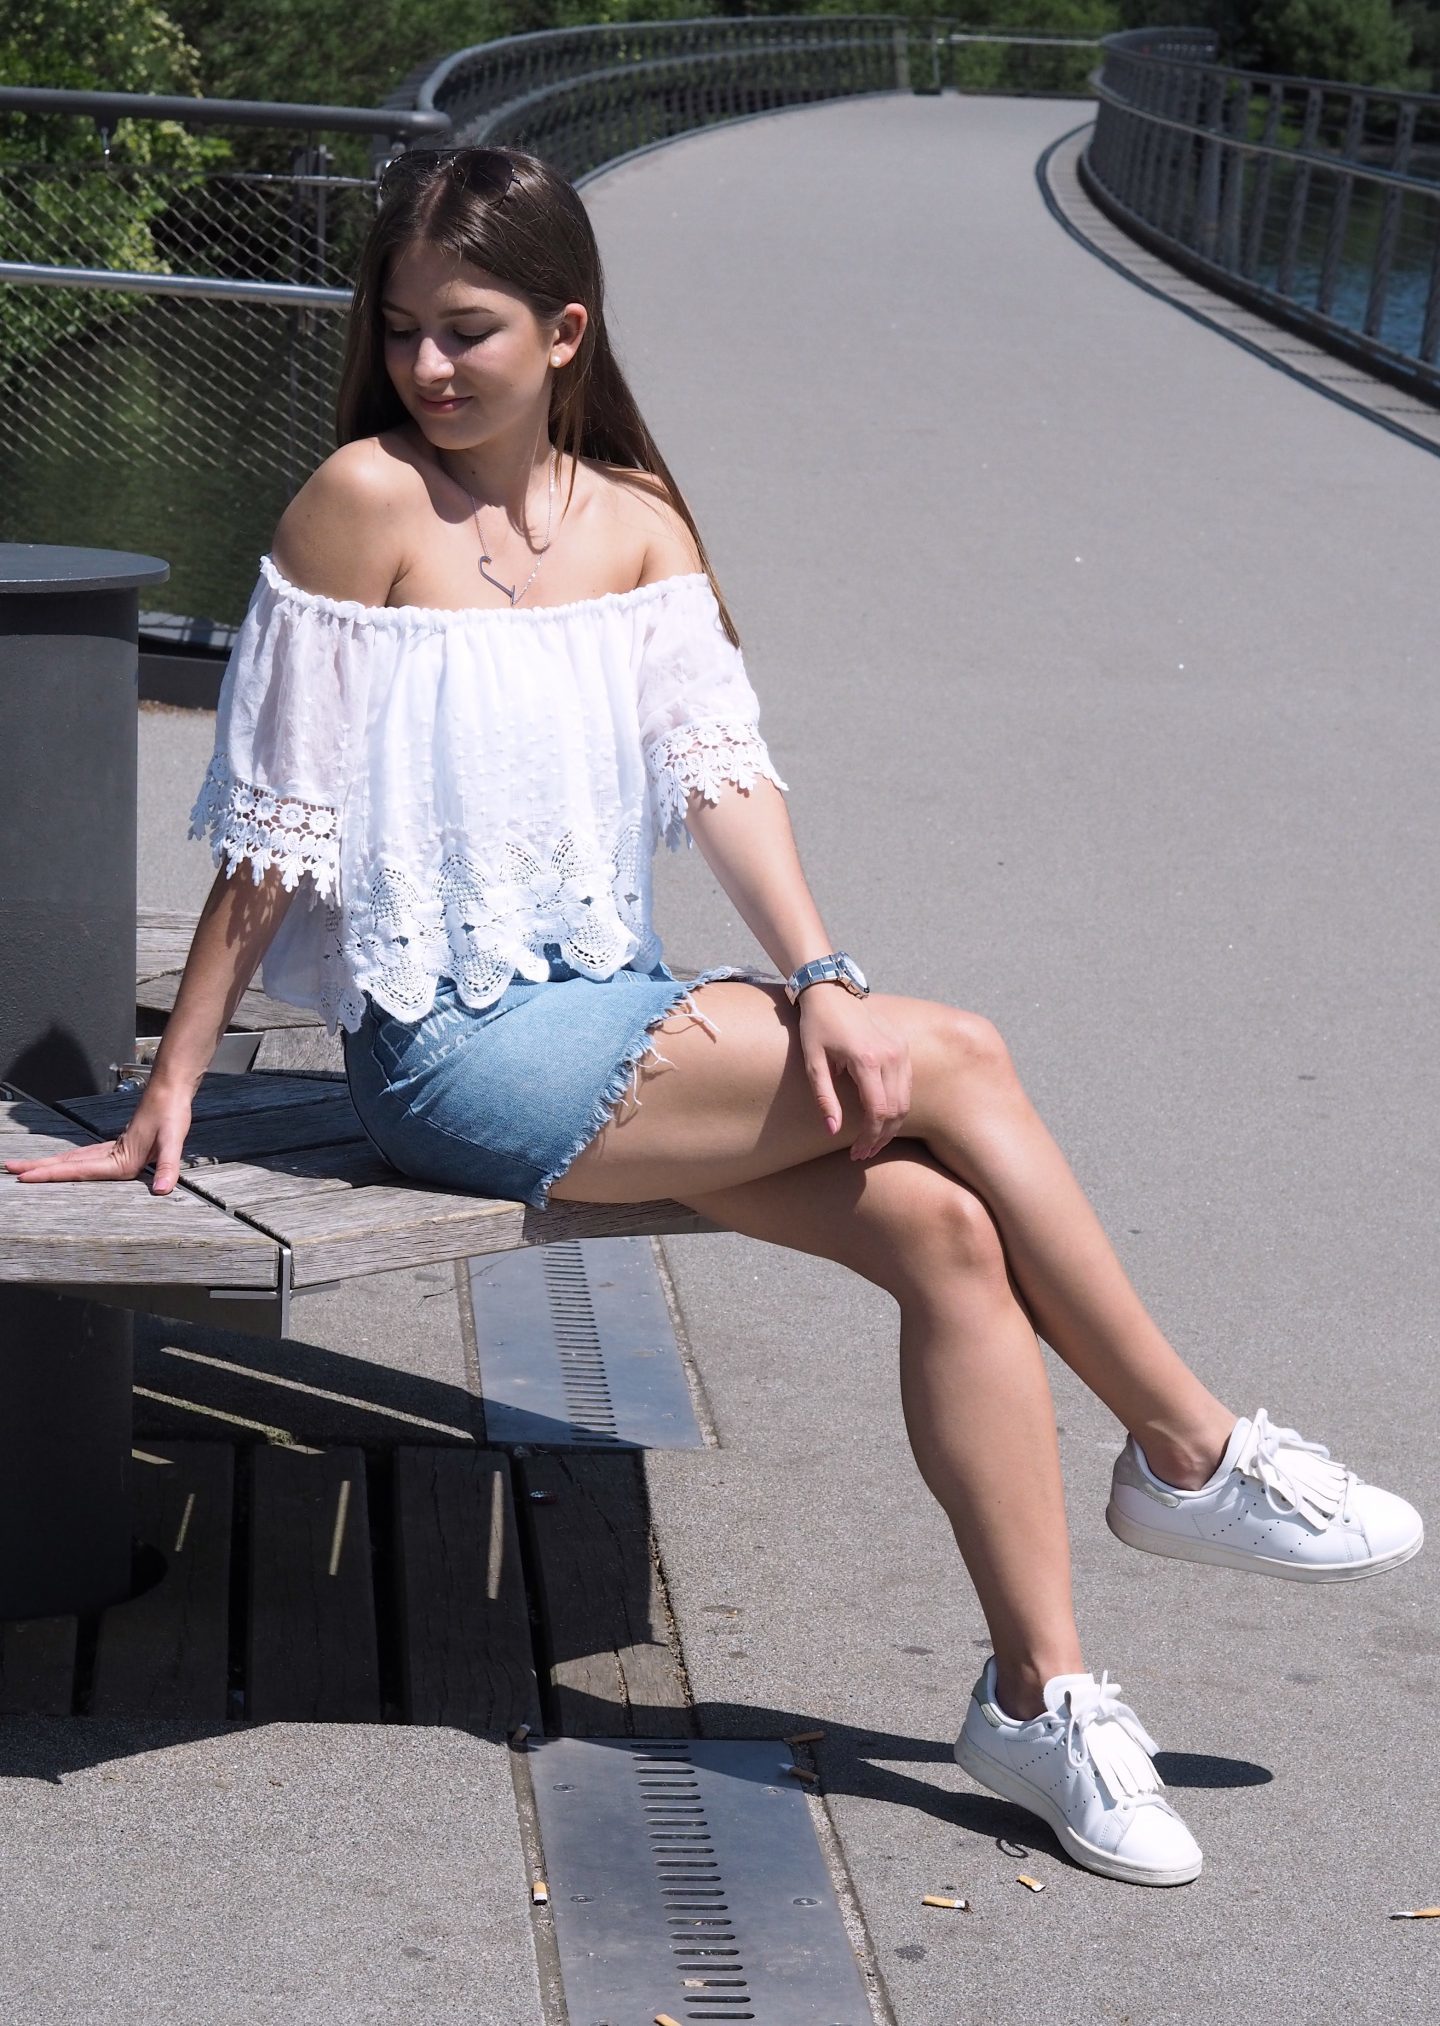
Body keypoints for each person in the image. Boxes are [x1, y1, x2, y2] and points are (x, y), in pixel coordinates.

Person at [7, 144, 1422, 1888]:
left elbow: (722, 777)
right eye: (402, 334)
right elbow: (273, 836)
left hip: (618, 1012)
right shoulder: (361, 503)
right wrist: (177, 1079)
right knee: (959, 1057)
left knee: (945, 1234)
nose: (427, 369)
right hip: (454, 1052)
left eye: (468, 332)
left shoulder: (639, 526)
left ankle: (1040, 1698)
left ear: (568, 329)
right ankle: (1191, 1449)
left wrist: (815, 972)